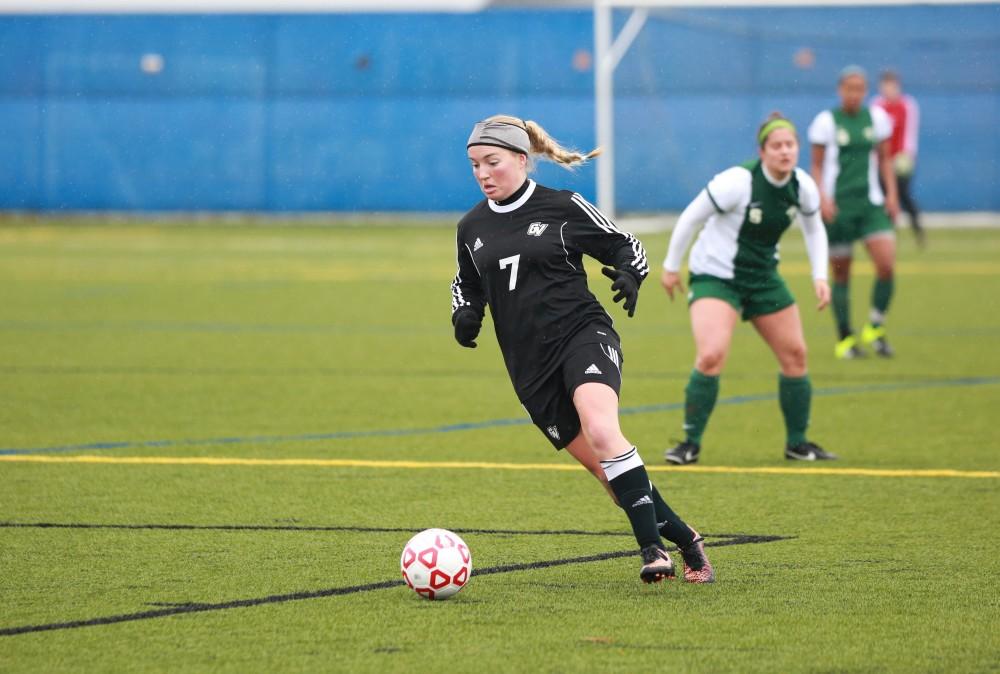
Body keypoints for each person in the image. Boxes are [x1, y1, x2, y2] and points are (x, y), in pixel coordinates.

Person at [451, 114, 714, 583]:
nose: (483, 174)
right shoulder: (471, 226)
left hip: (582, 335)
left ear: (522, 159)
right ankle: (687, 538)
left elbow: (624, 244)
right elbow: (466, 283)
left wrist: (632, 275)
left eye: (492, 162)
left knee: (601, 428)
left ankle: (652, 551)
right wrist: (466, 312)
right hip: (529, 368)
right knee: (610, 478)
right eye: (474, 165)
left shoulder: (563, 206)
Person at [661, 112, 836, 465]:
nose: (785, 152)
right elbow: (691, 217)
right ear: (763, 151)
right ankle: (689, 443)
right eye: (777, 146)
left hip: (763, 278)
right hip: (716, 276)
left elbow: (815, 229)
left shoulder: (802, 185)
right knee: (711, 356)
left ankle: (797, 443)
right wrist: (670, 266)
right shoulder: (737, 182)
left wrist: (820, 276)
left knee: (796, 355)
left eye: (790, 145)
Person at [808, 65, 900, 359]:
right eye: (849, 88)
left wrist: (892, 194)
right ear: (840, 90)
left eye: (860, 88)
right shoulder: (826, 122)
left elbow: (885, 159)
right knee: (842, 274)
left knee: (886, 264)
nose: (854, 94)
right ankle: (846, 338)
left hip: (870, 204)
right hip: (839, 208)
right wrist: (822, 198)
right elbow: (818, 165)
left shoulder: (877, 119)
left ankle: (876, 325)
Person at [872, 69, 924, 246]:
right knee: (882, 197)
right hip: (882, 160)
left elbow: (911, 132)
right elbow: (874, 136)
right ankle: (886, 233)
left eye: (891, 85)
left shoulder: (907, 105)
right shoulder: (876, 105)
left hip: (901, 159)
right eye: (884, 86)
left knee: (904, 196)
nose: (888, 89)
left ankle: (918, 232)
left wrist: (907, 156)